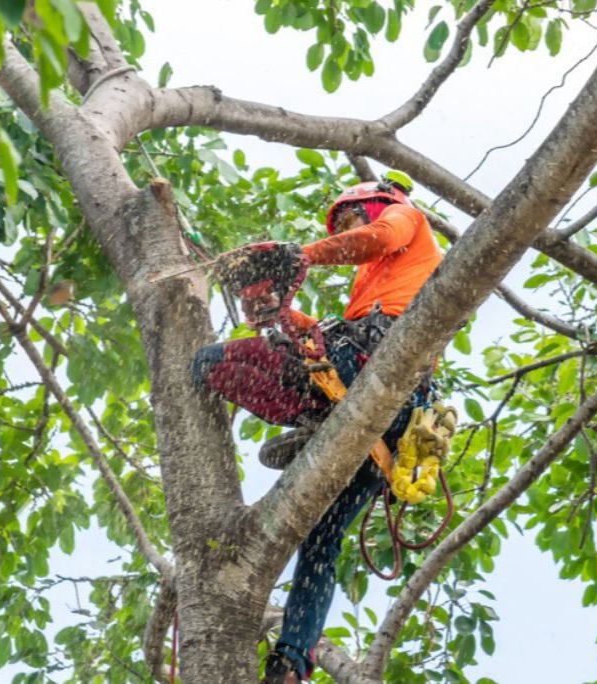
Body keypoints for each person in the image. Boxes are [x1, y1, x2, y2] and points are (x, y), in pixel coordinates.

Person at [190, 172, 443, 683]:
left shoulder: (405, 219)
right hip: (372, 410)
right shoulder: (375, 285)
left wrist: (300, 255)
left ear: (376, 204)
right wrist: (278, 313)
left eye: (351, 217)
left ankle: (312, 417)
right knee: (321, 545)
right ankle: (291, 664)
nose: (349, 228)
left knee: (209, 362)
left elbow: (377, 238)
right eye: (342, 223)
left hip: (372, 370)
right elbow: (315, 337)